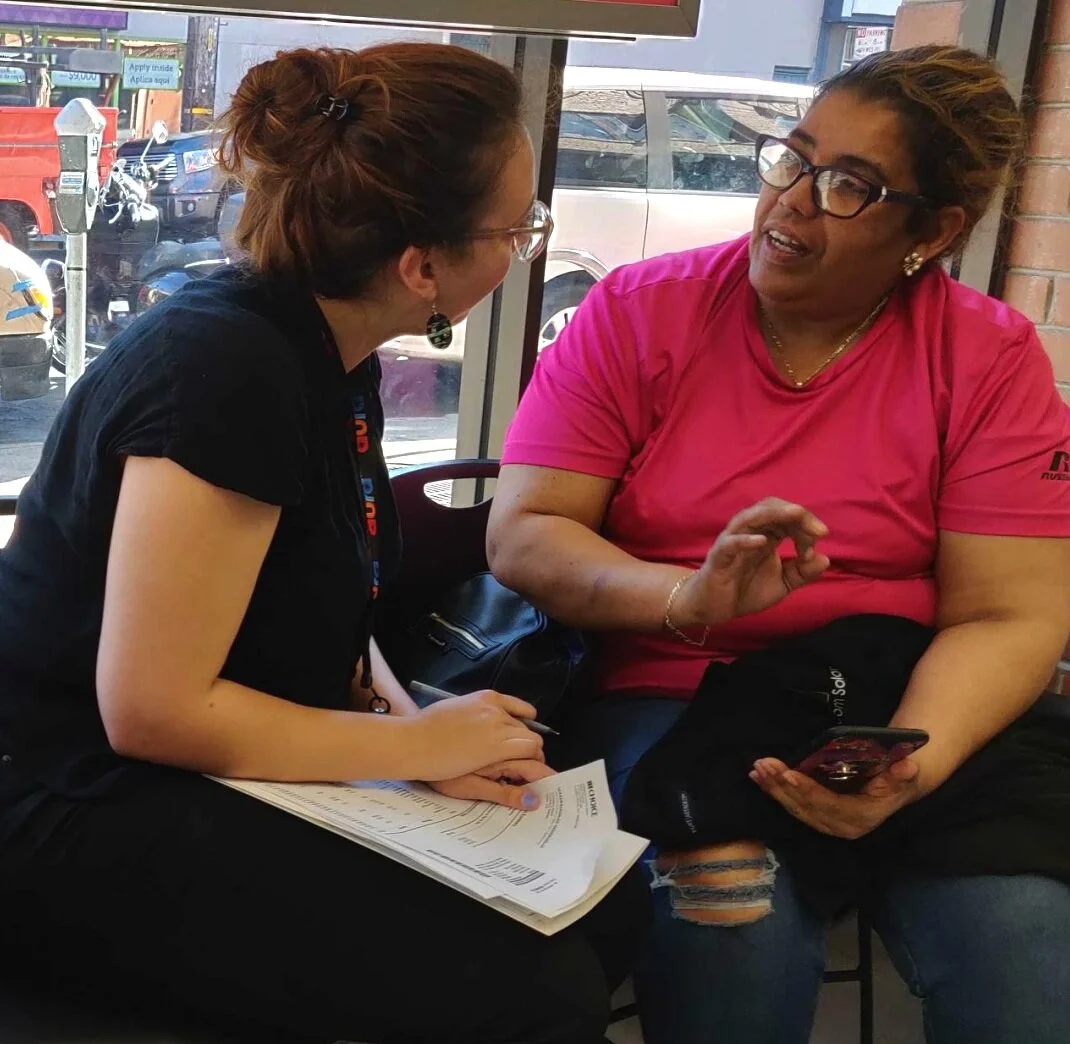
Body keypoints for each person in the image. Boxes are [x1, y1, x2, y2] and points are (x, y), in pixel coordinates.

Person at [0, 45, 646, 1044]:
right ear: (421, 267)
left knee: (609, 903)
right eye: (517, 228)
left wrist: (412, 717)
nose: (525, 245)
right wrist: (411, 746)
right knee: (537, 992)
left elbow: (320, 604)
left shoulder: (320, 349)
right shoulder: (228, 368)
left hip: (183, 765)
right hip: (67, 797)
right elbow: (150, 711)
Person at [488, 44, 1070, 1044]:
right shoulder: (639, 311)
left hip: (902, 712)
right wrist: (685, 600)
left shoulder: (985, 356)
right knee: (730, 926)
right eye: (789, 158)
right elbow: (526, 534)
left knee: (1021, 942)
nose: (790, 202)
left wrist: (908, 772)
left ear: (930, 231)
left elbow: (1008, 612)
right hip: (674, 696)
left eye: (847, 185)